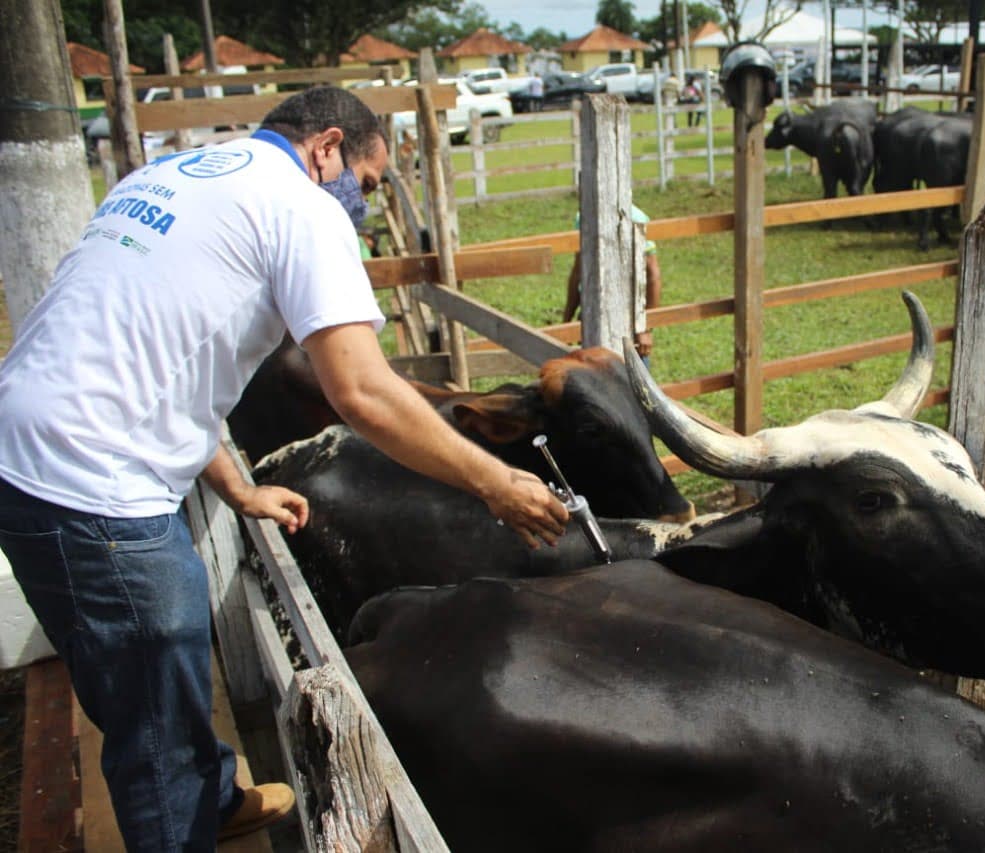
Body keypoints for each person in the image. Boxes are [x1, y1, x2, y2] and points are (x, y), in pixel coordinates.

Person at [0, 86, 568, 851]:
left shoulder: (172, 176)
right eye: (365, 184)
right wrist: (494, 482)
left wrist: (237, 485)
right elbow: (363, 391)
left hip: (27, 454)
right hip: (94, 485)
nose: (361, 205)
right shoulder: (302, 208)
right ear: (327, 146)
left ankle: (212, 793)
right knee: (153, 714)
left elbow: (153, 352)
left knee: (149, 669)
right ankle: (183, 815)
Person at [561, 205, 662, 361]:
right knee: (591, 372)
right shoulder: (584, 216)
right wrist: (566, 322)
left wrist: (645, 328)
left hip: (629, 318)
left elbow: (653, 275)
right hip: (591, 313)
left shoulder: (636, 218)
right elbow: (578, 271)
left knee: (632, 377)